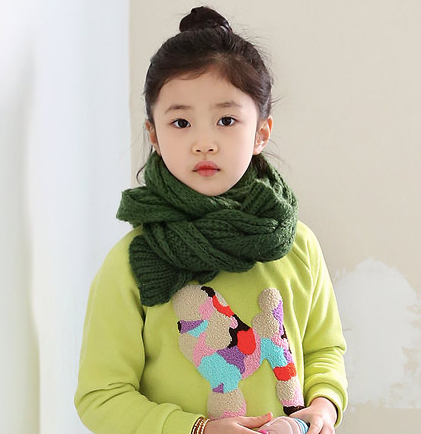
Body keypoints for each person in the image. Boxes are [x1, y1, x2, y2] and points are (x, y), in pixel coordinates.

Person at [74, 6, 348, 434]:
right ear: (154, 136)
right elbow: (101, 396)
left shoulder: (298, 245)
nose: (204, 142)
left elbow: (324, 350)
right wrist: (197, 429)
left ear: (260, 133)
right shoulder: (133, 262)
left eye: (226, 120)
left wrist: (325, 406)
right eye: (181, 122)